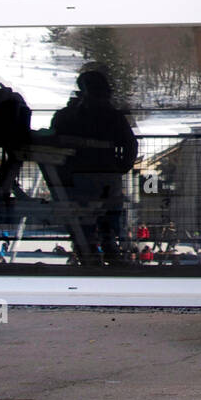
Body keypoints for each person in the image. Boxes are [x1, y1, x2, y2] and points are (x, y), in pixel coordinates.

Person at [49, 66, 138, 265]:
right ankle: (109, 247)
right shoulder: (113, 116)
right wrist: (122, 166)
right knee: (108, 212)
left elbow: (54, 138)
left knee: (82, 219)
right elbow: (130, 144)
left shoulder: (68, 115)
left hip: (76, 178)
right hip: (106, 176)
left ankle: (88, 251)